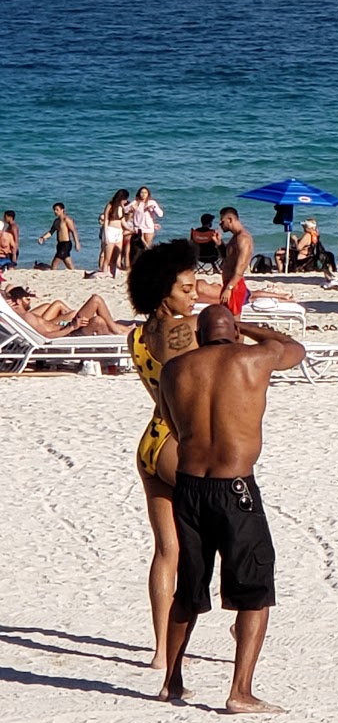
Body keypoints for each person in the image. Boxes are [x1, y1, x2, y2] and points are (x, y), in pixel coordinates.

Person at [157, 304, 304, 713]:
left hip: (189, 486)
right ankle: (240, 692)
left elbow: (171, 422)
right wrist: (249, 328)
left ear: (200, 335)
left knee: (189, 586)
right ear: (234, 332)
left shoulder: (174, 370)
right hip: (235, 488)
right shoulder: (255, 357)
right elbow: (293, 348)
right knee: (254, 592)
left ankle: (171, 682)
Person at [125, 240, 201, 669]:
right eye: (186, 288)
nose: (193, 294)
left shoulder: (136, 335)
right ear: (163, 291)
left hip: (151, 440)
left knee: (165, 549)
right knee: (229, 536)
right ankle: (239, 615)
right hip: (181, 441)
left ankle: (159, 651)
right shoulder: (186, 330)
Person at [197, 207, 253, 312]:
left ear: (230, 220)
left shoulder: (243, 239)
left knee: (234, 322)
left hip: (234, 286)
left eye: (222, 221)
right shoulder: (235, 238)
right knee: (228, 319)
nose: (220, 224)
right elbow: (227, 258)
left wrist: (229, 288)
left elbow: (241, 267)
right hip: (229, 283)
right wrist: (219, 243)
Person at [5, 285, 122, 335]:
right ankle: (116, 331)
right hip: (69, 332)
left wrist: (6, 304)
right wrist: (72, 327)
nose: (30, 300)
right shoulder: (27, 317)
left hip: (67, 329)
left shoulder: (18, 317)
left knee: (98, 319)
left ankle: (118, 331)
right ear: (19, 302)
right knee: (96, 301)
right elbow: (46, 335)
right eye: (26, 298)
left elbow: (8, 287)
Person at [126, 186, 165, 264]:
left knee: (147, 246)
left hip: (148, 227)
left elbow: (160, 214)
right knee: (137, 247)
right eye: (142, 192)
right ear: (139, 193)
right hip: (138, 228)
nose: (143, 194)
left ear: (148, 194)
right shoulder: (135, 202)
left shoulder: (151, 202)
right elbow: (125, 209)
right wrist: (131, 209)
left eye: (145, 193)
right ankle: (136, 262)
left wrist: (153, 208)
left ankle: (148, 262)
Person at [38, 202, 79, 270]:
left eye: (57, 210)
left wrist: (77, 243)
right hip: (59, 244)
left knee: (55, 263)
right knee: (68, 262)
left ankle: (53, 272)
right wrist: (43, 238)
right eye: (54, 210)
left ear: (62, 210)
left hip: (66, 244)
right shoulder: (56, 221)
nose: (55, 211)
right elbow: (51, 232)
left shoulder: (67, 220)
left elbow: (73, 231)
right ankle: (74, 272)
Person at [100, 189, 130, 276]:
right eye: (125, 199)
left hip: (119, 232)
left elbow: (123, 222)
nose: (126, 201)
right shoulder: (110, 206)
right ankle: (105, 271)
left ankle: (112, 272)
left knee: (117, 254)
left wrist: (132, 229)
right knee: (107, 256)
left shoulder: (122, 207)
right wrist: (105, 235)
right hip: (110, 230)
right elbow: (106, 220)